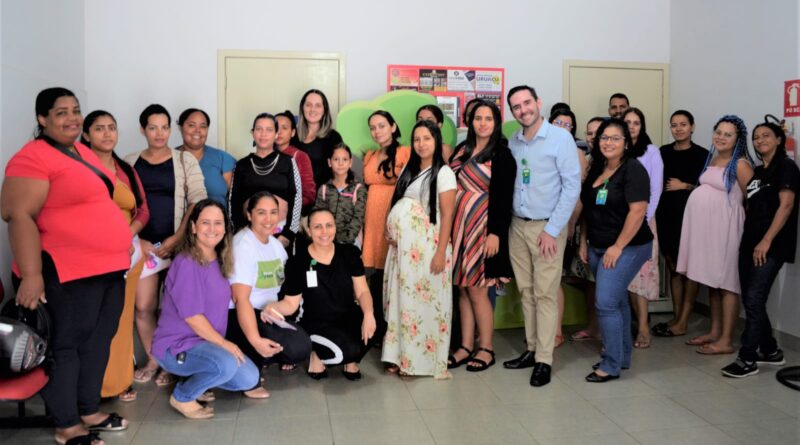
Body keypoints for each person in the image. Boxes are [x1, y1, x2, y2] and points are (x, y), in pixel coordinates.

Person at [2, 87, 132, 445]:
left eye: (76, 110)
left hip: (106, 271)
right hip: (66, 273)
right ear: (42, 119)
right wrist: (30, 275)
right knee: (66, 346)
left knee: (97, 342)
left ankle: (88, 409)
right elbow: (18, 215)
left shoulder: (80, 151)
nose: (72, 118)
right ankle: (67, 424)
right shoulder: (31, 158)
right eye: (61, 113)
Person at [502, 86, 581, 387]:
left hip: (546, 228)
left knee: (545, 293)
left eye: (526, 103)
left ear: (538, 103)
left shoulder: (560, 139)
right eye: (516, 107)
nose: (523, 110)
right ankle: (532, 348)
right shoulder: (515, 142)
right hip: (517, 226)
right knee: (526, 292)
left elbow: (571, 188)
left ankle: (544, 360)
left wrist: (552, 230)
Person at [151, 199, 259, 419]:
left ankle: (198, 378)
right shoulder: (187, 262)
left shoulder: (220, 259)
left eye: (218, 223)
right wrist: (225, 344)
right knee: (227, 363)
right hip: (177, 346)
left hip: (206, 343)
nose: (212, 229)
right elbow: (192, 317)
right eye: (205, 223)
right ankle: (183, 396)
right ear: (193, 227)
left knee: (249, 378)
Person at [125, 104, 208, 387]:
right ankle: (154, 359)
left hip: (178, 245)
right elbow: (122, 207)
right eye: (152, 127)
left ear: (170, 130)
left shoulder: (185, 161)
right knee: (144, 306)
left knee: (176, 307)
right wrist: (140, 240)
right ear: (142, 130)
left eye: (164, 127)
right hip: (143, 247)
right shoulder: (129, 162)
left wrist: (178, 237)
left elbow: (198, 200)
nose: (159, 133)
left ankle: (173, 361)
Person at [265, 208, 385, 380]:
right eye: (318, 227)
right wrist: (274, 308)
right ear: (309, 230)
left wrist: (368, 314)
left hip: (346, 316)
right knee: (348, 349)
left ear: (335, 227)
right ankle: (318, 352)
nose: (324, 232)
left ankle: (351, 358)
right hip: (316, 323)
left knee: (379, 323)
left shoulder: (349, 253)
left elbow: (362, 291)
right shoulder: (299, 262)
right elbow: (291, 304)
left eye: (329, 226)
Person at [578, 117, 654, 382]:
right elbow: (589, 208)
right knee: (617, 300)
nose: (608, 143)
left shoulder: (633, 169)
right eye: (604, 138)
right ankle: (621, 357)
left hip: (630, 246)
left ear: (626, 143)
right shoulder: (597, 167)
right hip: (598, 246)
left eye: (615, 138)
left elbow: (638, 211)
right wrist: (583, 240)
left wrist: (618, 246)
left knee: (606, 302)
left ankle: (610, 365)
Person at [82, 110, 149, 403]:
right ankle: (92, 387)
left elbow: (143, 210)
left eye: (112, 128)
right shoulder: (79, 168)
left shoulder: (126, 168)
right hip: (91, 257)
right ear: (86, 135)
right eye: (99, 129)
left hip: (128, 253)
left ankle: (120, 381)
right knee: (94, 323)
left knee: (121, 321)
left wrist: (128, 234)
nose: (107, 134)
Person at [721, 122, 798, 377]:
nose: (760, 140)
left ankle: (747, 358)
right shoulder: (757, 171)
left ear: (779, 139)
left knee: (754, 297)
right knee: (751, 298)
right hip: (750, 242)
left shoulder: (786, 167)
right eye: (756, 137)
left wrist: (766, 240)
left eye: (766, 136)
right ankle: (771, 350)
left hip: (772, 244)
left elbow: (785, 206)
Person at [382, 120, 457, 378]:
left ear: (436, 140)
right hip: (405, 252)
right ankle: (400, 356)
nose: (421, 144)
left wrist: (439, 254)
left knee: (425, 305)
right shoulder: (409, 170)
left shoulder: (444, 173)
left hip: (429, 249)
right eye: (417, 139)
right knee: (403, 303)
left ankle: (421, 362)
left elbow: (447, 216)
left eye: (427, 138)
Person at [448, 100, 516, 373]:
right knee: (463, 288)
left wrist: (495, 234)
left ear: (496, 123)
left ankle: (486, 347)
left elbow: (503, 198)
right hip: (458, 224)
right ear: (470, 121)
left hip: (483, 227)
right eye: (478, 118)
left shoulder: (501, 154)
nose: (483, 123)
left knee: (479, 290)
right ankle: (465, 346)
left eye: (489, 118)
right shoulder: (462, 149)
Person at [677, 115, 754, 355]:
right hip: (709, 232)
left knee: (727, 284)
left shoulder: (740, 164)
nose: (721, 137)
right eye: (718, 132)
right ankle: (714, 331)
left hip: (727, 230)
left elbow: (753, 200)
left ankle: (726, 340)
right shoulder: (714, 158)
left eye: (727, 134)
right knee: (713, 281)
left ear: (737, 139)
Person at [225, 192, 312, 394]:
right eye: (261, 213)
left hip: (267, 314)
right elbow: (241, 300)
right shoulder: (243, 245)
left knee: (300, 345)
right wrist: (255, 339)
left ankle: (260, 357)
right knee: (290, 346)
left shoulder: (274, 245)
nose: (268, 219)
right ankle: (249, 354)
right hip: (241, 315)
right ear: (249, 215)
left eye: (273, 213)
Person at [652, 110, 708, 338]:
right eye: (674, 125)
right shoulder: (662, 152)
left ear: (692, 127)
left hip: (692, 217)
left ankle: (684, 319)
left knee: (690, 269)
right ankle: (676, 316)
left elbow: (710, 189)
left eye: (683, 124)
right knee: (673, 267)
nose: (678, 129)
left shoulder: (703, 154)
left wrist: (684, 186)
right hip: (667, 215)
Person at [362, 110, 411, 330]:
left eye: (381, 125)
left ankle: (393, 328)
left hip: (392, 219)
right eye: (372, 127)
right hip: (372, 221)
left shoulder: (404, 152)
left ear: (393, 127)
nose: (377, 131)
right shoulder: (370, 155)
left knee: (392, 273)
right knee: (376, 274)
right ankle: (379, 327)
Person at [622, 107, 663, 349]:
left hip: (644, 222)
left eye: (636, 122)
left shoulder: (651, 152)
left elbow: (655, 189)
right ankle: (628, 324)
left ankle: (644, 327)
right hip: (620, 222)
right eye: (627, 122)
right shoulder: (618, 149)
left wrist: (643, 219)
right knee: (622, 275)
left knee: (642, 275)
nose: (632, 126)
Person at [548, 107, 589, 347]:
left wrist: (571, 226)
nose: (563, 128)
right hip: (543, 224)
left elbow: (575, 195)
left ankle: (556, 332)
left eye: (568, 125)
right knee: (546, 282)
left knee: (554, 281)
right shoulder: (542, 147)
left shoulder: (576, 152)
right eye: (558, 123)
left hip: (565, 225)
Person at [229, 112, 301, 247]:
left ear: (275, 134)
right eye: (259, 129)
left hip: (281, 235)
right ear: (252, 133)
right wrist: (238, 231)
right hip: (248, 235)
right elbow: (233, 200)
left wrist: (288, 234)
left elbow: (296, 198)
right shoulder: (242, 164)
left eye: (269, 130)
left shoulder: (288, 162)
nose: (263, 134)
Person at [569, 117, 605, 341]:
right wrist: (581, 237)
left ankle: (612, 336)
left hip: (613, 237)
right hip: (588, 231)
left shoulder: (620, 164)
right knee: (590, 283)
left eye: (597, 133)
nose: (592, 137)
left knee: (609, 290)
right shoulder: (587, 161)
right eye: (589, 133)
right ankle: (594, 327)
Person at [177, 108, 236, 207]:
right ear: (181, 127)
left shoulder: (222, 159)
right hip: (177, 221)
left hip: (218, 220)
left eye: (203, 126)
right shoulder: (170, 158)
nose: (197, 130)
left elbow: (236, 198)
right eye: (191, 125)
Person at [314, 143, 367, 245]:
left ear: (350, 162)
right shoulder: (324, 189)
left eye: (345, 159)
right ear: (329, 162)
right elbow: (318, 216)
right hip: (327, 241)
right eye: (336, 159)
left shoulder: (358, 189)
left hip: (351, 243)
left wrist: (347, 239)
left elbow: (358, 218)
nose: (340, 163)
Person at [291, 89, 343, 187]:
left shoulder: (333, 137)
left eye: (318, 106)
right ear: (302, 108)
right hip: (295, 195)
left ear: (324, 110)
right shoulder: (292, 135)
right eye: (308, 105)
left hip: (323, 196)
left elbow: (341, 171)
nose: (312, 109)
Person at [276, 110, 316, 213]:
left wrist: (288, 207)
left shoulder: (299, 156)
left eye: (284, 128)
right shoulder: (265, 155)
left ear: (293, 132)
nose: (279, 132)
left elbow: (309, 194)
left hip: (292, 215)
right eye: (275, 127)